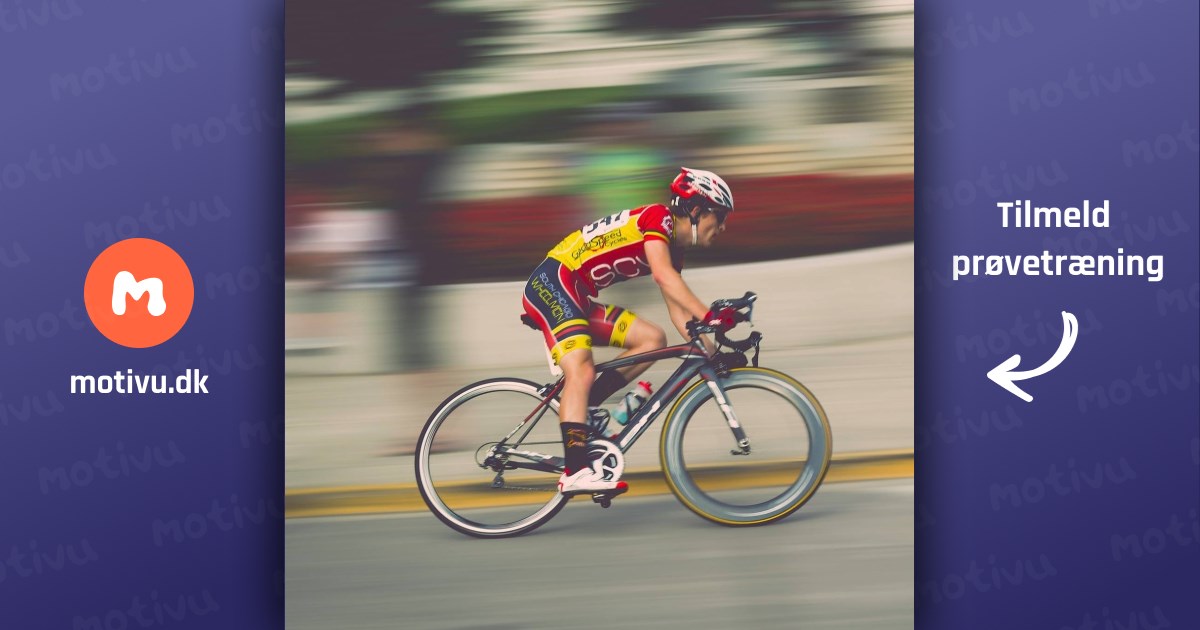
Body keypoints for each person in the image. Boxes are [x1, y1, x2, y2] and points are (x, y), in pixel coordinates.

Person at [520, 167, 736, 496]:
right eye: (718, 217)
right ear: (695, 210)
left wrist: (711, 351)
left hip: (575, 295)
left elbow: (678, 311)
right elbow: (664, 278)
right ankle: (575, 471)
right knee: (581, 367)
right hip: (554, 282)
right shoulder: (658, 218)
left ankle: (585, 406)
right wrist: (710, 314)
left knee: (652, 339)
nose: (722, 227)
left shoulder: (674, 249)